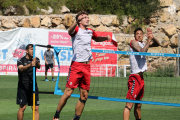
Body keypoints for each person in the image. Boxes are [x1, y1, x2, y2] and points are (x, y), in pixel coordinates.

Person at [53, 11, 111, 120]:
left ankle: (76, 118)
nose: (87, 19)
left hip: (87, 67)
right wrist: (76, 22)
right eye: (84, 18)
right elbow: (69, 31)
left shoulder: (90, 31)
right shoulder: (76, 30)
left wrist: (105, 38)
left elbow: (96, 38)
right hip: (76, 66)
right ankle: (56, 115)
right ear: (79, 21)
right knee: (68, 93)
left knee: (84, 96)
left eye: (87, 17)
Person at [123, 28, 160, 120]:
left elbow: (158, 44)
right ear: (134, 36)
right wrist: (149, 40)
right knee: (129, 104)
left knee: (138, 105)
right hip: (134, 78)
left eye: (141, 34)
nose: (139, 35)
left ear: (143, 35)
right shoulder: (133, 42)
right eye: (137, 34)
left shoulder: (144, 43)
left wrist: (152, 37)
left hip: (141, 78)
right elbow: (142, 51)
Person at [16, 44, 41, 120]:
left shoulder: (36, 59)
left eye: (34, 49)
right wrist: (30, 65)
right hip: (23, 87)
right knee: (23, 107)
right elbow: (21, 69)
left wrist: (35, 63)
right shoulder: (21, 60)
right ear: (26, 51)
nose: (33, 51)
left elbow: (39, 66)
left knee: (35, 108)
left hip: (33, 86)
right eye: (31, 49)